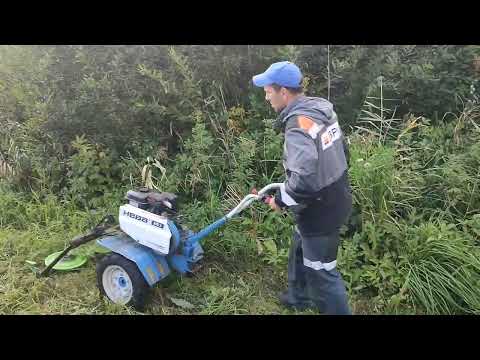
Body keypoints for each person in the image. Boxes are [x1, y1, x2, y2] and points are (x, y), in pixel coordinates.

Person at [252, 61, 352, 315]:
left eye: (268, 91)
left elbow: (305, 178)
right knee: (299, 246)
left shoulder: (297, 125)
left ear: (283, 92)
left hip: (321, 208)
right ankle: (299, 297)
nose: (266, 96)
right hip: (335, 193)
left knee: (322, 273)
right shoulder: (320, 109)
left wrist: (281, 201)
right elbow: (343, 151)